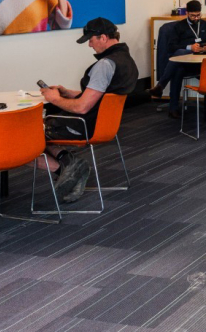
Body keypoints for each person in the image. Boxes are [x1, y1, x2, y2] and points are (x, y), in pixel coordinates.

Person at [38, 18, 138, 202]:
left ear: (103, 38)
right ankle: (70, 165)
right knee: (41, 130)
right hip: (105, 124)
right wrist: (68, 93)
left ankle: (67, 170)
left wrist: (55, 99)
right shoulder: (126, 60)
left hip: (84, 125)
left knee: (31, 134)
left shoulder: (105, 65)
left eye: (91, 40)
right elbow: (101, 96)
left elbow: (82, 107)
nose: (90, 45)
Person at [152, 0, 206, 117]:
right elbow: (171, 47)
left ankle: (161, 86)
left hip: (201, 63)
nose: (196, 18)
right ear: (187, 13)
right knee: (179, 64)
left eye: (198, 15)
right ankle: (173, 108)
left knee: (177, 65)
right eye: (193, 16)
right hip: (185, 62)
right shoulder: (179, 27)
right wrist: (190, 47)